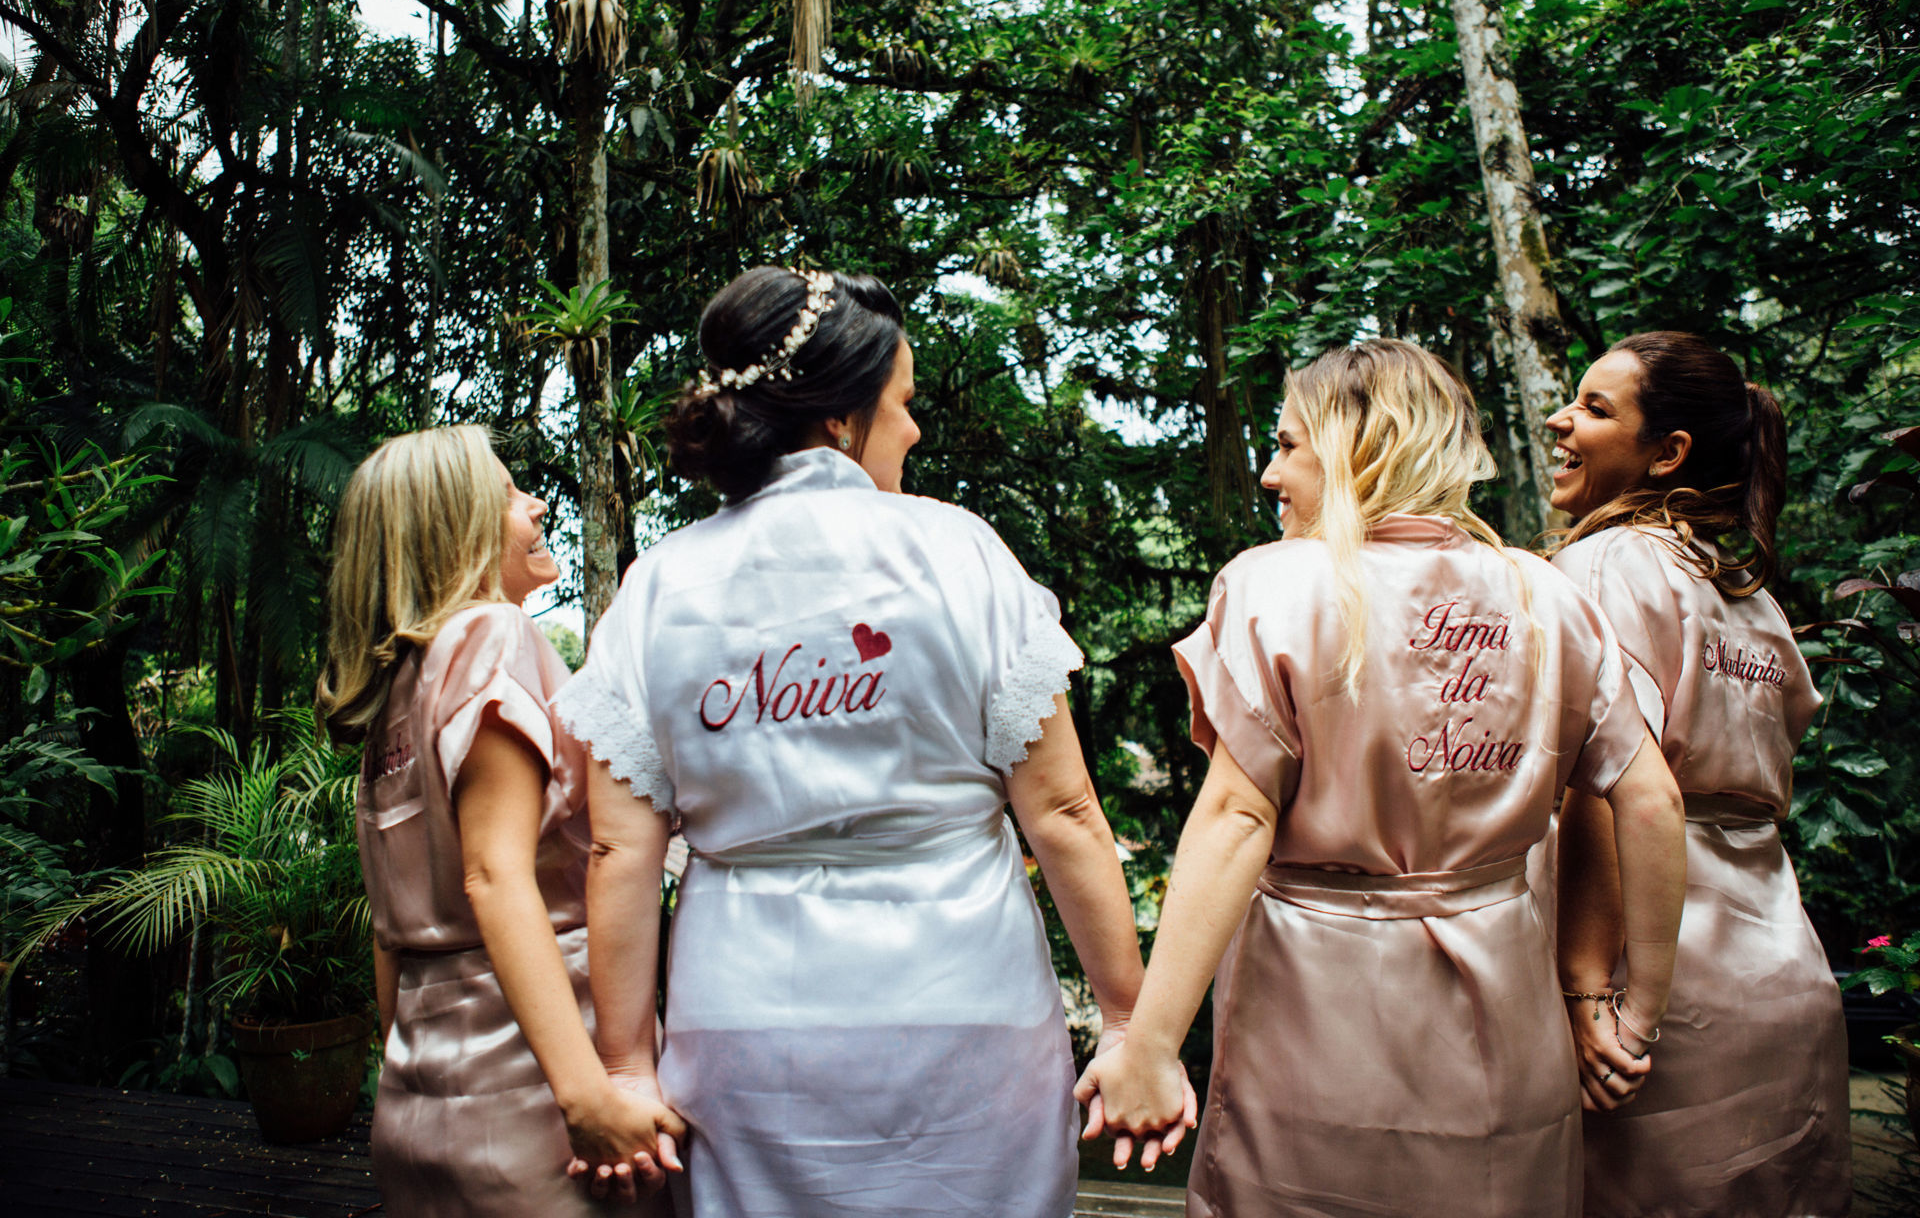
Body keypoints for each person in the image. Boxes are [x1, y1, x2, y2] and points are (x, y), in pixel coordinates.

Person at [553, 265, 1159, 1218]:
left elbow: (621, 849)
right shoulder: (960, 552)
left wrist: (626, 1067)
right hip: (969, 1018)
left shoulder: (658, 587)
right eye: (903, 403)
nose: (914, 430)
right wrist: (1128, 1021)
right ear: (840, 417)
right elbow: (1066, 811)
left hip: (747, 1031)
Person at [1075, 339, 1689, 1217]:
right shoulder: (1545, 595)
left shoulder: (1274, 586)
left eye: (1288, 446)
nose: (1269, 475)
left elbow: (1235, 821)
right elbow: (1651, 799)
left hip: (1318, 1014)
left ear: (1358, 445)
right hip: (1506, 1017)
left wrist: (1152, 1045)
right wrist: (1640, 1014)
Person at [318, 426, 680, 1217]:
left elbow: (390, 933)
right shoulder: (490, 636)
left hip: (420, 1099)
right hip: (535, 1104)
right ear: (460, 522)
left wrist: (411, 1080)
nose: (536, 502)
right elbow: (494, 873)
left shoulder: (397, 694)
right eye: (512, 490)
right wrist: (586, 1098)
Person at [1546, 331, 1852, 1215]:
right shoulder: (1750, 594)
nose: (1561, 419)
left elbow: (1611, 793)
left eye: (1597, 409)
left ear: (1668, 453)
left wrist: (1590, 992)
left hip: (1660, 985)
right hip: (1783, 966)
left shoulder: (1599, 565)